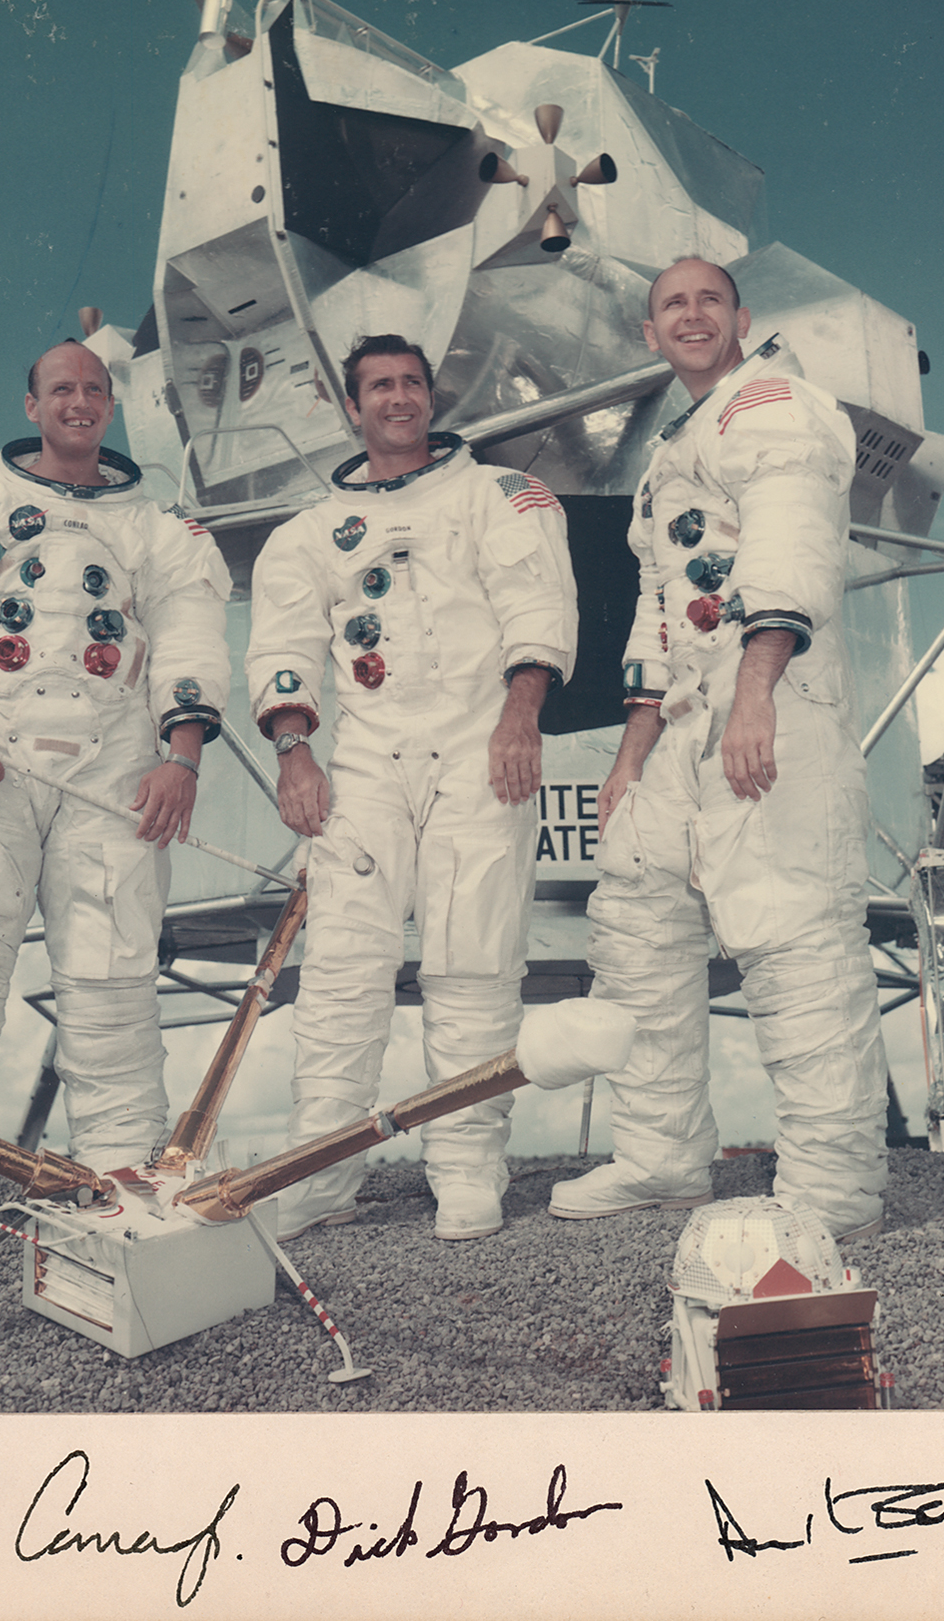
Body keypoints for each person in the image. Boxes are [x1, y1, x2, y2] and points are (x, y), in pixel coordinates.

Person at [0, 340, 230, 1262]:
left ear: (111, 405)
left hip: (114, 776)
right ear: (31, 404)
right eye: (61, 388)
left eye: (94, 389)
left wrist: (181, 759)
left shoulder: (162, 531)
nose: (79, 400)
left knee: (111, 988)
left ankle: (118, 1181)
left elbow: (190, 635)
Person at [548, 258, 889, 1240]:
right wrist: (631, 753)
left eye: (708, 300)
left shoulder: (773, 405)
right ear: (649, 334)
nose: (691, 315)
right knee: (635, 916)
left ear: (742, 318)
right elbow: (661, 612)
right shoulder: (676, 450)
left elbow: (787, 543)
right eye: (672, 305)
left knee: (790, 934)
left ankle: (831, 1190)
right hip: (686, 724)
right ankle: (661, 1156)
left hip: (774, 704)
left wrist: (755, 694)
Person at [247, 334, 578, 1241]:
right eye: (379, 387)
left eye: (411, 384)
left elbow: (537, 609)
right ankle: (319, 1172)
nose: (398, 398)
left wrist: (521, 719)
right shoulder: (306, 535)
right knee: (342, 969)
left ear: (431, 396)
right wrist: (294, 753)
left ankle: (466, 1166)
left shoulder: (501, 496)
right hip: (366, 759)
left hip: (481, 746)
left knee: (473, 961)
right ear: (350, 407)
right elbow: (282, 649)